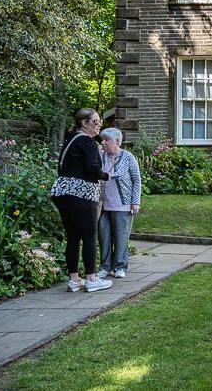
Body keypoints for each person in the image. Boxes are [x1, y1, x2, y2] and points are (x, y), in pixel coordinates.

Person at [50, 108, 113, 293]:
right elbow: (92, 168)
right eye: (95, 122)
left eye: (100, 122)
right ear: (84, 123)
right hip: (82, 193)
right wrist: (105, 175)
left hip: (62, 192)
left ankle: (74, 280)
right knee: (89, 235)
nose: (99, 125)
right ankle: (92, 279)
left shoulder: (71, 140)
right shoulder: (87, 141)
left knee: (73, 237)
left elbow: (63, 167)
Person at [96, 127, 142, 279]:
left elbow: (136, 180)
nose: (103, 142)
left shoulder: (128, 157)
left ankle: (120, 267)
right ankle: (104, 267)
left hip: (122, 205)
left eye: (106, 139)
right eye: (102, 139)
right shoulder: (100, 155)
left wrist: (135, 202)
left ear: (117, 141)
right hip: (102, 205)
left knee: (121, 238)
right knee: (104, 237)